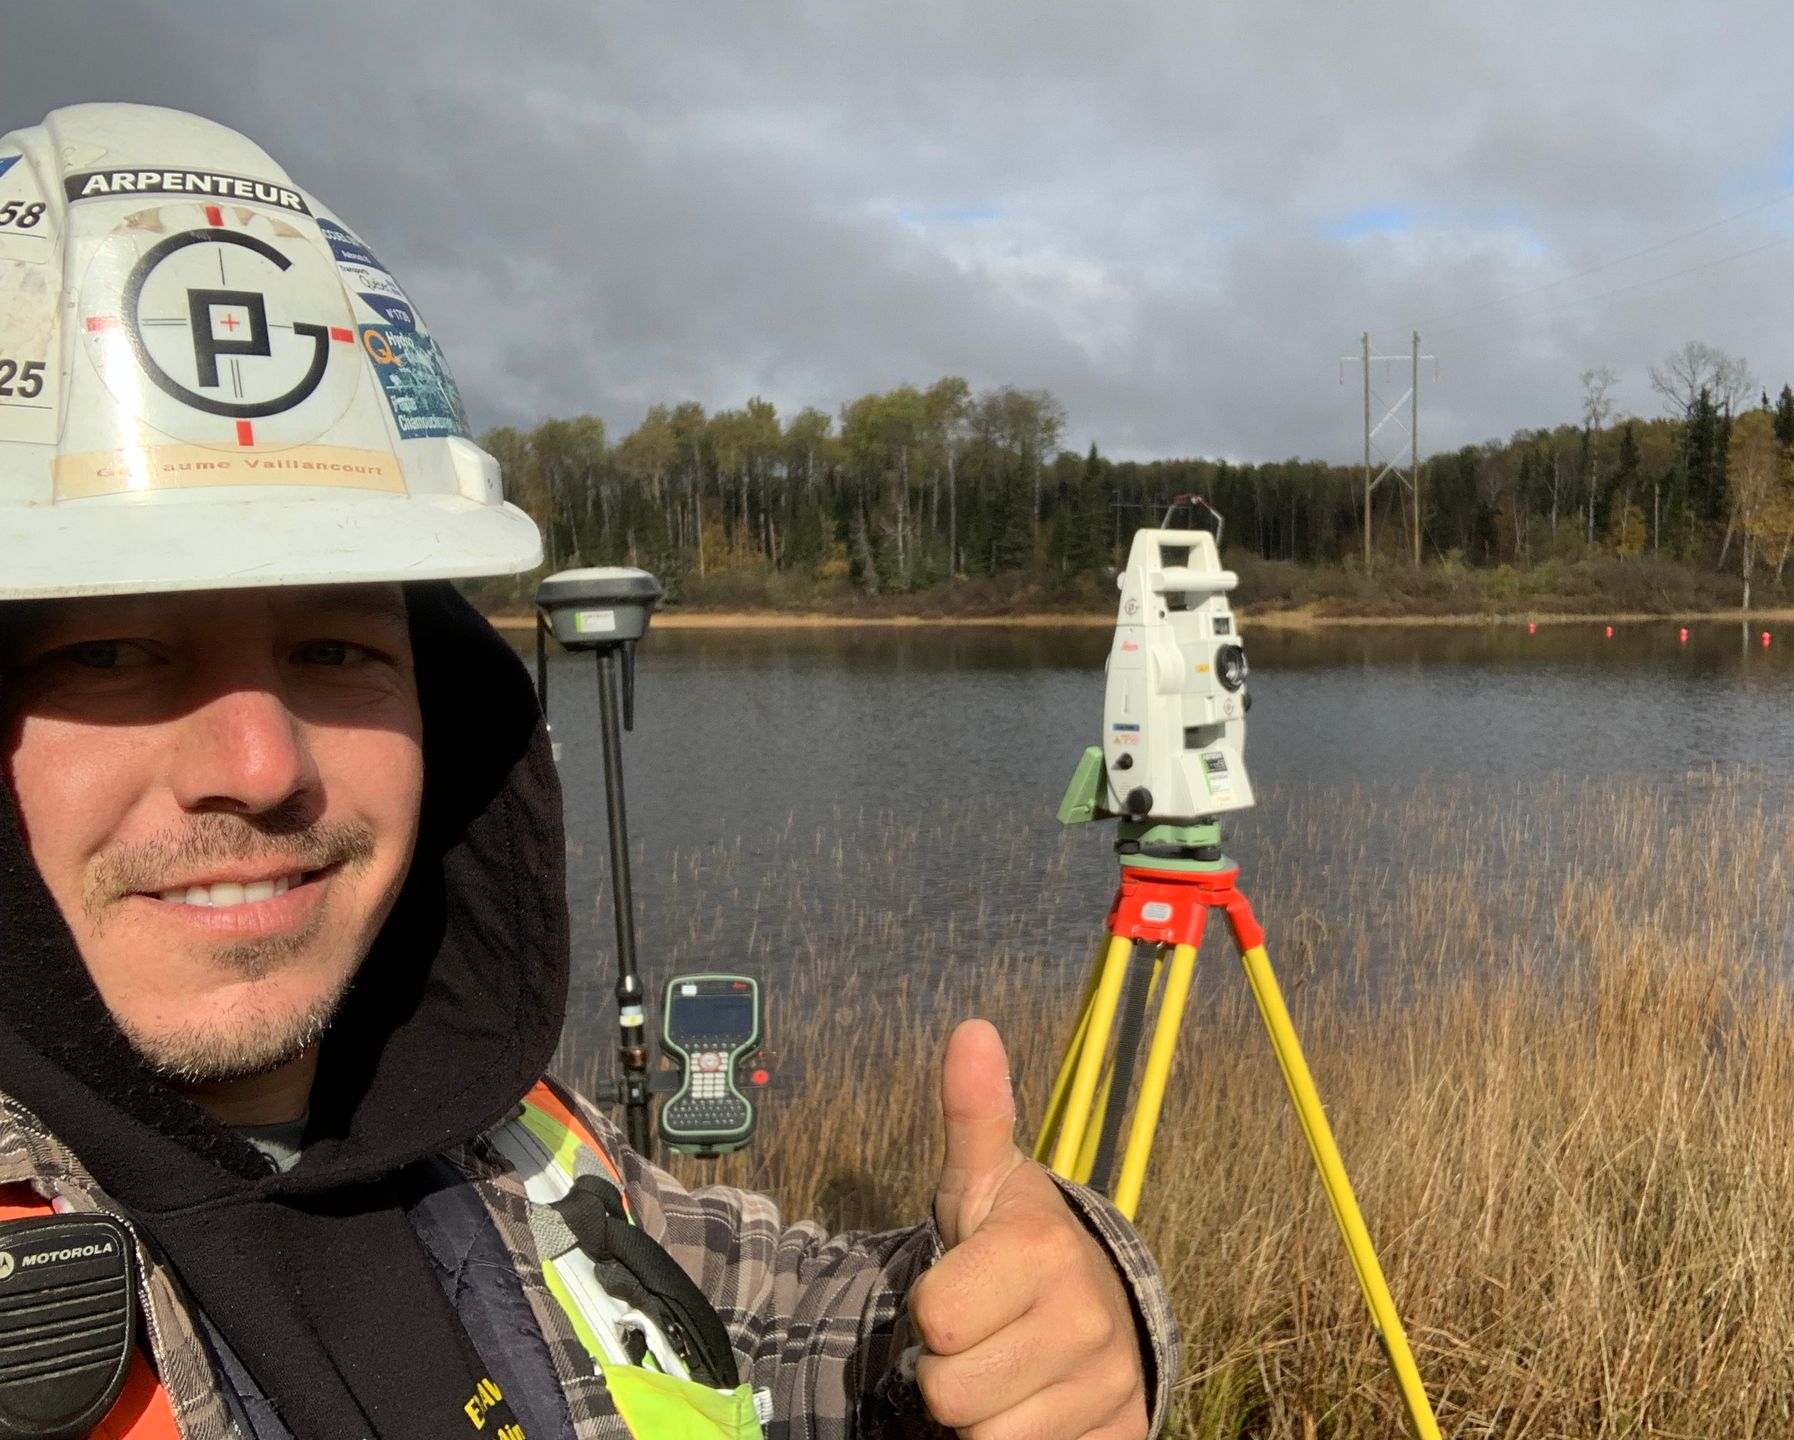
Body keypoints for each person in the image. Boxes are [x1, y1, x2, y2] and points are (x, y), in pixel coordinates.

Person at [0, 105, 1177, 1440]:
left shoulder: (476, 1127)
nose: (263, 766)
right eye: (107, 652)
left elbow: (752, 1328)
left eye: (335, 646)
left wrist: (1008, 1321)